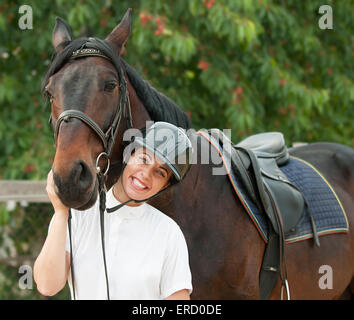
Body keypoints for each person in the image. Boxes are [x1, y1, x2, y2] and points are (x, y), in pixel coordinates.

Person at [34, 121, 193, 300]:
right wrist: (61, 213)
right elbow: (48, 285)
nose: (146, 174)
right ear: (128, 155)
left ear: (165, 185)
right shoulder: (77, 214)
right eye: (143, 159)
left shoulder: (168, 233)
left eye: (160, 173)